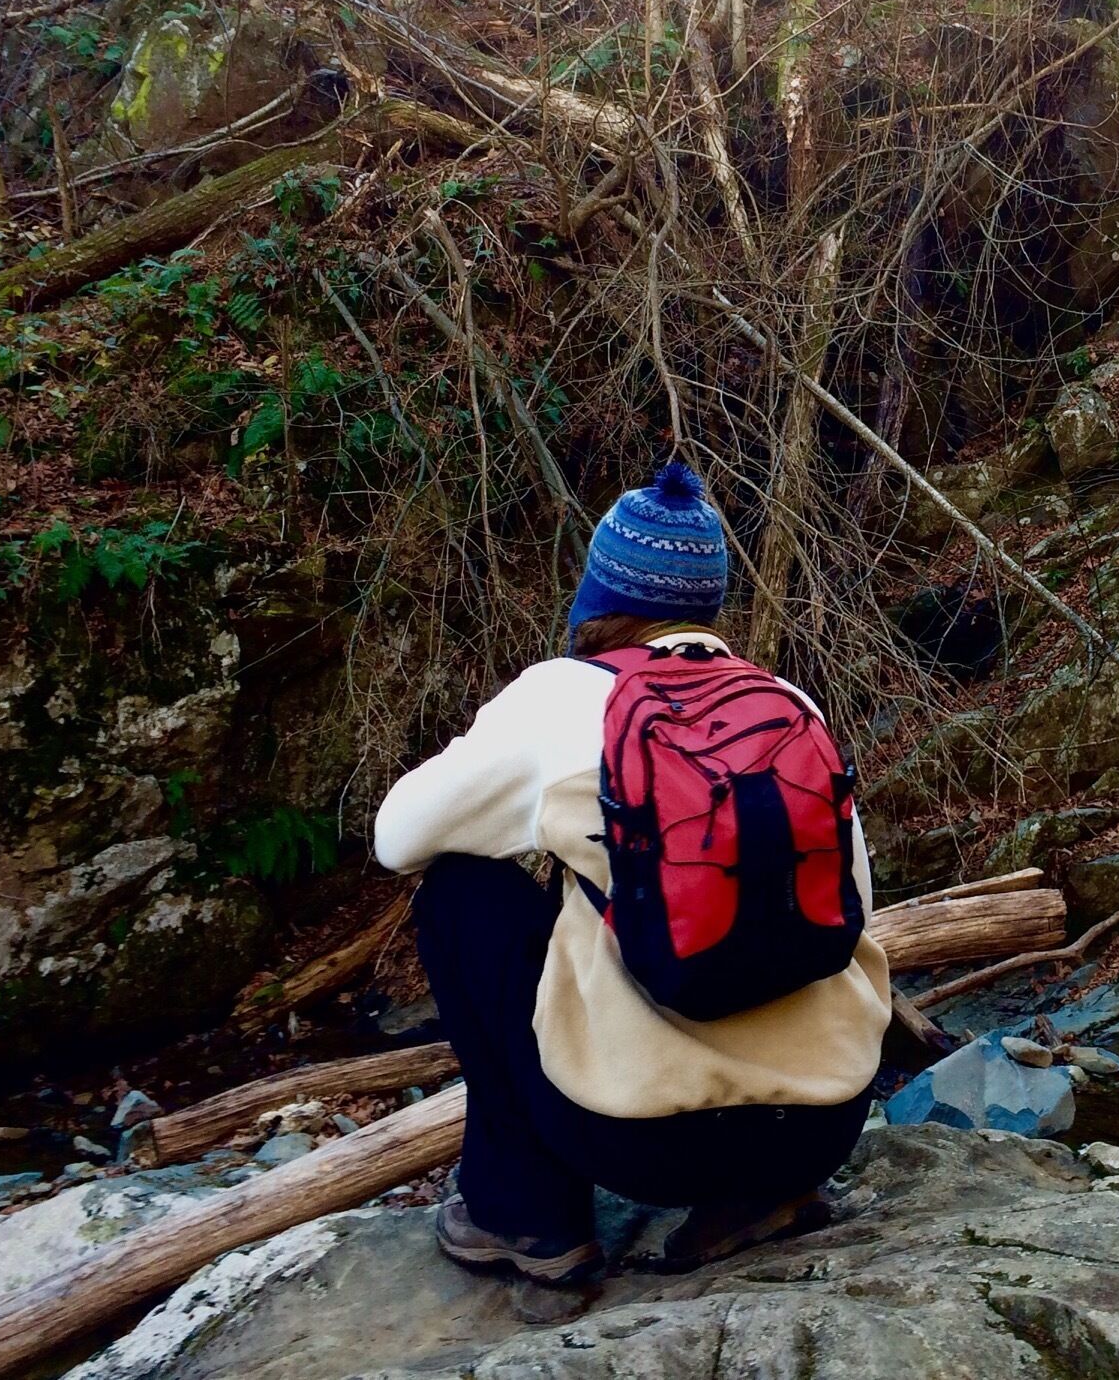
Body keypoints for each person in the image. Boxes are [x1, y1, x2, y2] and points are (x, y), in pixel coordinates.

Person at [374, 461, 890, 1282]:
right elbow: (854, 905)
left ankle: (527, 1214)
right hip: (825, 1117)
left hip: (642, 1142)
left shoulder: (557, 698)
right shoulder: (790, 705)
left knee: (460, 894)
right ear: (710, 605)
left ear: (601, 595)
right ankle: (761, 1196)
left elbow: (396, 838)